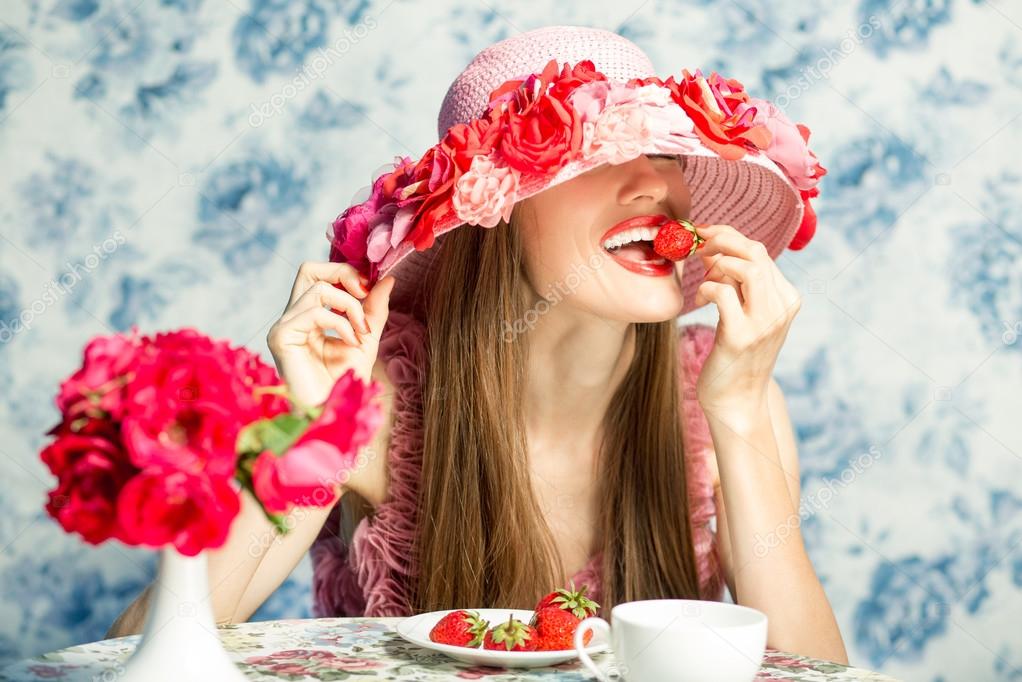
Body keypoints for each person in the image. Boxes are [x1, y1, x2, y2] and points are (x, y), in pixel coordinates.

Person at [109, 25, 847, 664]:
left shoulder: (727, 397)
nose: (655, 185)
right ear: (491, 212)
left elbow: (814, 674)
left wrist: (741, 411)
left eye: (671, 156)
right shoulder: (375, 401)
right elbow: (138, 657)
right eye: (598, 158)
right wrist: (307, 423)